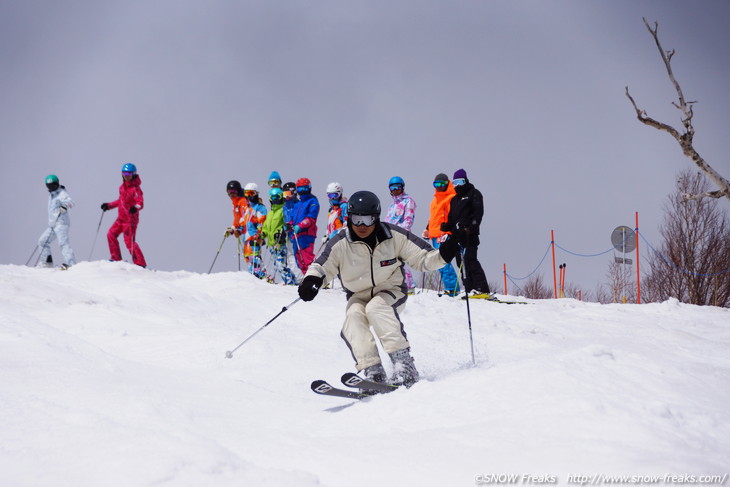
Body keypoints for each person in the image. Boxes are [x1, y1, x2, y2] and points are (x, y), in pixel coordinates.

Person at [298, 191, 460, 388]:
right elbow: (321, 265)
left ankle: (404, 366)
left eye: (368, 219)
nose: (362, 226)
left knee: (376, 308)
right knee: (353, 317)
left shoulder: (394, 236)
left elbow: (423, 258)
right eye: (357, 219)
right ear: (349, 218)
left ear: (376, 218)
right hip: (358, 294)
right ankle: (373, 370)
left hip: (391, 290)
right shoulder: (340, 243)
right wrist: (312, 280)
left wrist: (444, 254)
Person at [442, 168, 490, 295]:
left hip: (470, 235)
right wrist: (447, 226)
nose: (457, 185)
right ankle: (469, 289)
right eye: (455, 183)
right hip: (458, 236)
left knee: (470, 260)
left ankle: (481, 288)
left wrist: (470, 227)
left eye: (460, 182)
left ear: (466, 181)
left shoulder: (474, 193)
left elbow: (478, 213)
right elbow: (453, 219)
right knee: (461, 263)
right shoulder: (455, 199)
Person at [101, 163, 146, 267]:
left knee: (129, 242)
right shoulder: (122, 188)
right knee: (110, 234)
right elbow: (120, 201)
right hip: (121, 219)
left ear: (134, 174)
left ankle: (140, 264)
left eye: (129, 173)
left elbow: (140, 203)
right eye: (124, 173)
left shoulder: (136, 189)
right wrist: (108, 206)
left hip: (130, 220)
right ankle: (116, 258)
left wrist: (135, 208)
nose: (126, 176)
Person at [422, 173, 459, 296]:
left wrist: (448, 232)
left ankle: (452, 288)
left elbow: (452, 217)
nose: (439, 187)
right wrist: (428, 229)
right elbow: (433, 218)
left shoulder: (451, 198)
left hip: (443, 234)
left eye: (441, 184)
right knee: (438, 263)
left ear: (447, 184)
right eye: (436, 184)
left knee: (444, 262)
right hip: (434, 235)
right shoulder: (435, 200)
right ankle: (450, 287)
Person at [37, 174, 77, 269]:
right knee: (42, 241)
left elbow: (71, 202)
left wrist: (64, 207)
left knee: (63, 243)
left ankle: (71, 264)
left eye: (52, 185)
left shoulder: (62, 193)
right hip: (53, 225)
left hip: (61, 223)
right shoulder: (52, 195)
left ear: (57, 184)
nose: (51, 188)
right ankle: (47, 262)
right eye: (48, 186)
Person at [385, 176, 417, 292]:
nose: (395, 190)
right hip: (390, 237)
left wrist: (400, 233)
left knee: (402, 261)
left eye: (398, 187)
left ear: (402, 187)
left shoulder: (408, 201)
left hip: (402, 236)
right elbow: (387, 222)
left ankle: (409, 286)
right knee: (391, 262)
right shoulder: (392, 206)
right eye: (392, 188)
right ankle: (395, 284)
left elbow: (409, 220)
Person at [261, 187, 297, 285]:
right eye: (273, 198)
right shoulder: (270, 214)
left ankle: (290, 282)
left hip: (280, 242)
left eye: (277, 197)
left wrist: (282, 232)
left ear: (281, 197)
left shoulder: (282, 210)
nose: (275, 200)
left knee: (281, 265)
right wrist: (263, 234)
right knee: (277, 265)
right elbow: (266, 227)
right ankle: (293, 281)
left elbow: (286, 223)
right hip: (272, 244)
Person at [287, 177, 320, 274]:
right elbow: (293, 218)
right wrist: (289, 225)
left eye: (305, 189)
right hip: (297, 235)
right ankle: (307, 277)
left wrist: (300, 226)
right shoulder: (298, 204)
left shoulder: (312, 201)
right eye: (300, 189)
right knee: (299, 259)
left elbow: (311, 218)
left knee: (307, 257)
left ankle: (316, 276)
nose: (303, 192)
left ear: (309, 188)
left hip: (307, 234)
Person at [240, 183, 267, 279]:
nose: (248, 196)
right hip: (246, 238)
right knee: (248, 259)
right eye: (246, 193)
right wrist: (237, 229)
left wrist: (259, 234)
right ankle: (254, 278)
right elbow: (243, 222)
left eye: (251, 193)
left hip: (254, 238)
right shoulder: (246, 208)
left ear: (256, 194)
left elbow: (262, 222)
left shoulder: (259, 208)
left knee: (255, 259)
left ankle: (261, 277)